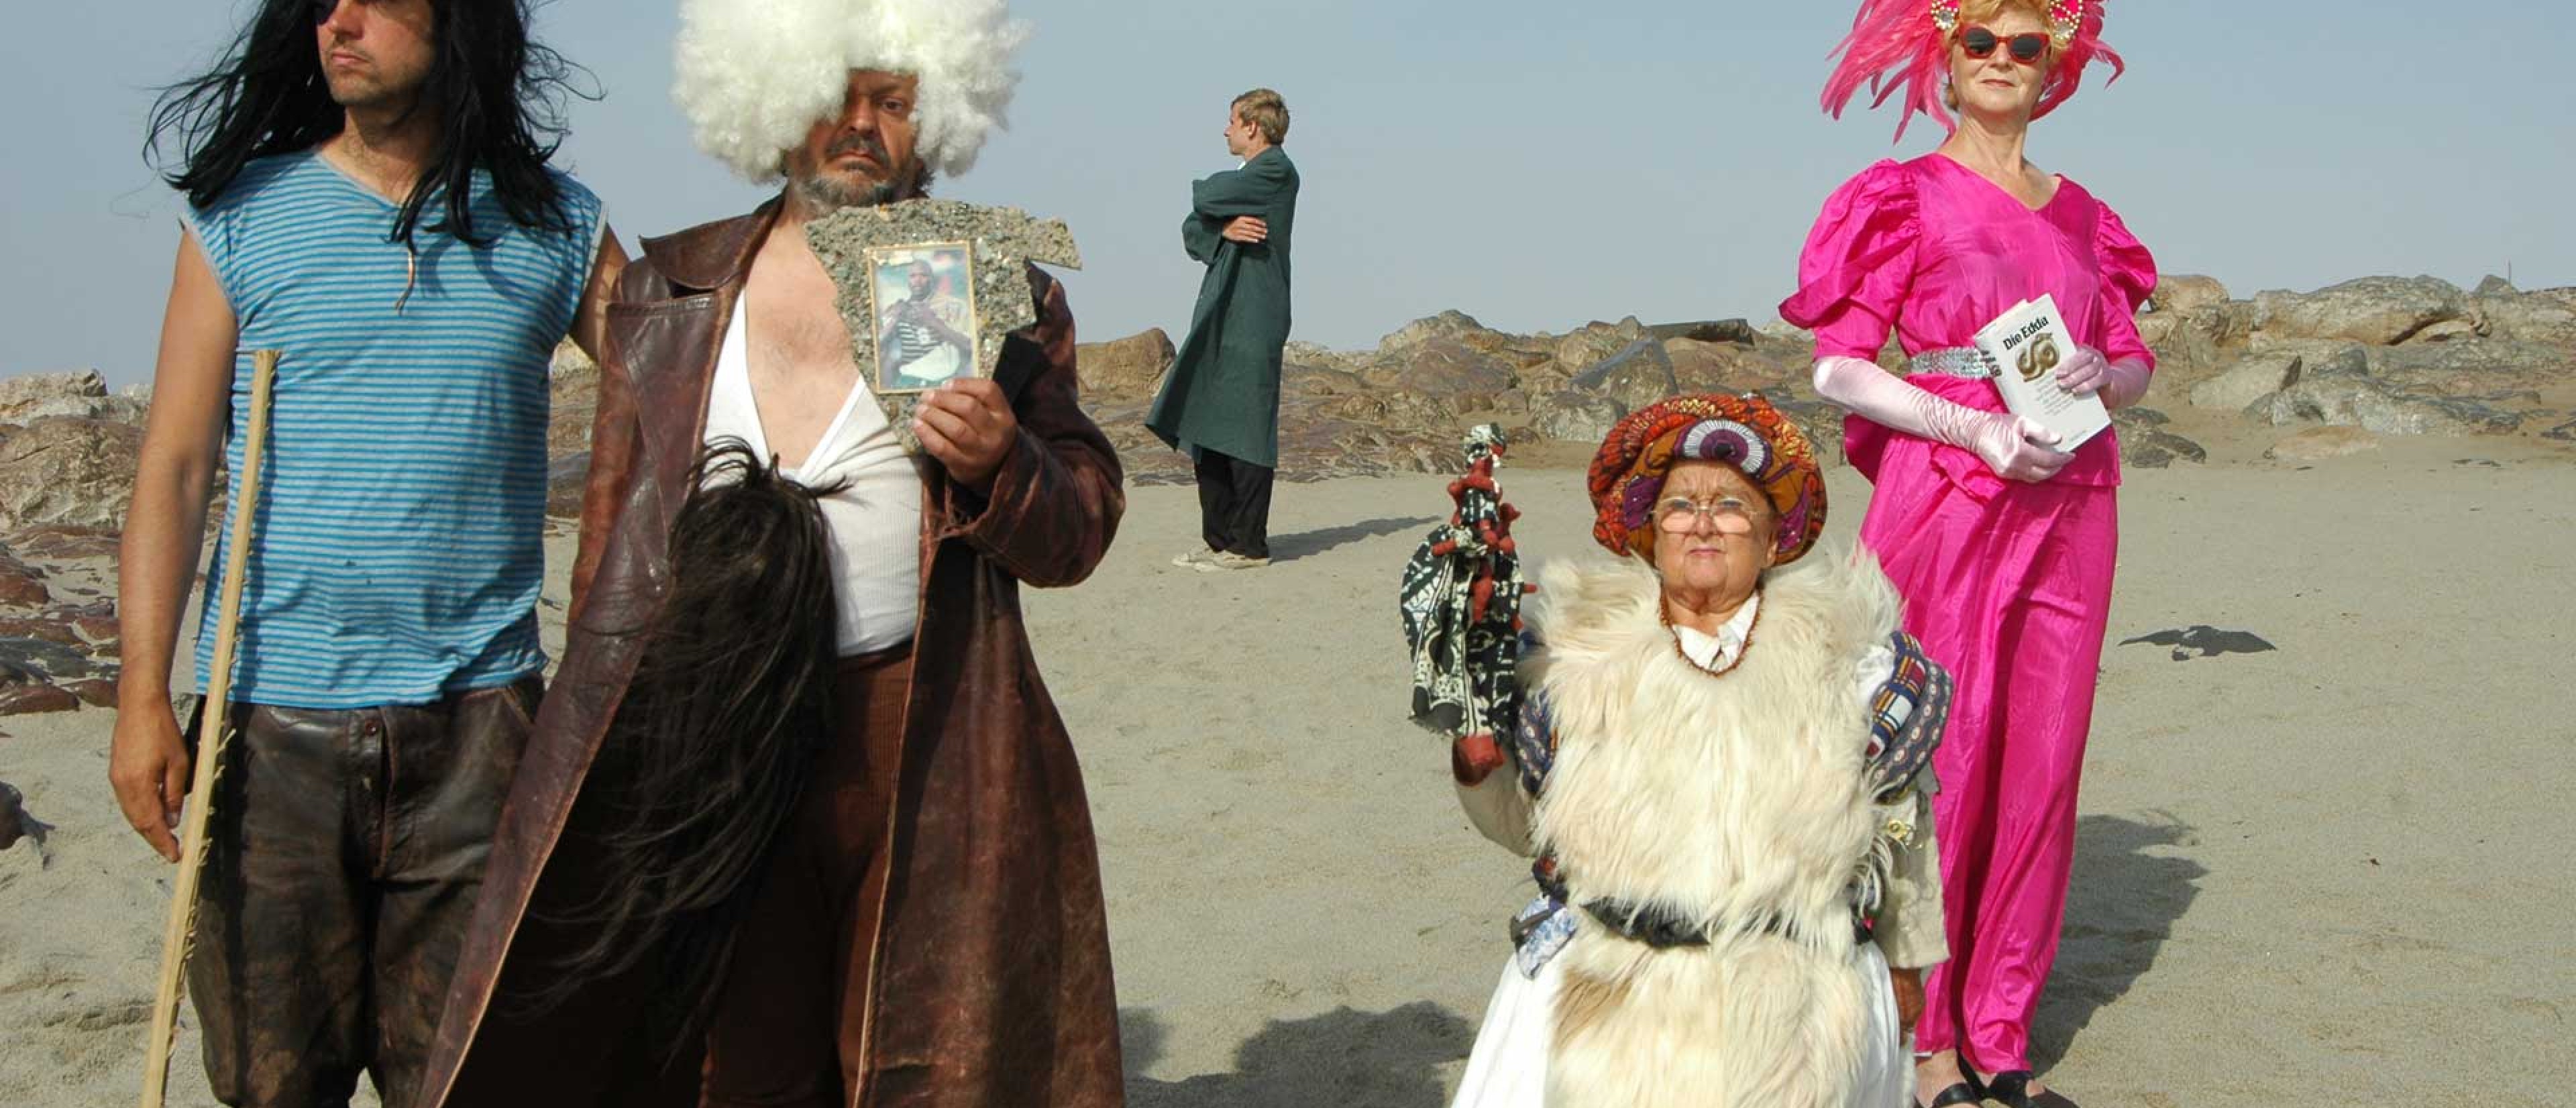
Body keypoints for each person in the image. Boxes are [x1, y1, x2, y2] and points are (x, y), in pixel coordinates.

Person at [414, 1, 1127, 1106]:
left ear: (935, 115)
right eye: (835, 95)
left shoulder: (991, 295)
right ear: (771, 96)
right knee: (738, 1062)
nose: (860, 126)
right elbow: (613, 559)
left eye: (892, 101)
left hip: (928, 731)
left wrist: (1004, 462)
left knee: (920, 1059)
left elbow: (1080, 527)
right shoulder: (673, 291)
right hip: (718, 730)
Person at [109, 0, 619, 1103]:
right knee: (269, 1083)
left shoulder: (554, 226)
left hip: (485, 733)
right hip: (268, 737)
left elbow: (689, 382)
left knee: (476, 1077)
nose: (338, 22)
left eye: (376, 1)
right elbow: (177, 465)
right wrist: (141, 692)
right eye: (323, 4)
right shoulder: (239, 218)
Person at [1779, 2, 2153, 1105]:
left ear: (2057, 64)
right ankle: (1924, 1037)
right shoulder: (1901, 195)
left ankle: (2000, 1035)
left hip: (2074, 500)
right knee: (1937, 751)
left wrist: (2103, 372)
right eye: (1979, 41)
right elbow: (1839, 369)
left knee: (2043, 755)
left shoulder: (2087, 215)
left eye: (2023, 44)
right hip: (1943, 493)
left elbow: (2137, 360)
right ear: (1944, 57)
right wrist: (1971, 424)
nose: (2000, 61)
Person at [1433, 395, 1955, 1108]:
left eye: (1733, 505)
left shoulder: (1854, 661)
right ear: (1651, 533)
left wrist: (1906, 968)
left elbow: (1905, 831)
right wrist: (1475, 760)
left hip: (1797, 1001)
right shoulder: (1572, 658)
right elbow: (1524, 825)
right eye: (1680, 504)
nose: (1704, 521)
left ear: (1774, 538)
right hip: (1609, 987)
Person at [1148, 88, 1299, 571]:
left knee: (1248, 424)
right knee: (1205, 414)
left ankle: (1249, 543)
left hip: (1255, 311)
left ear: (1253, 125)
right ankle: (1219, 539)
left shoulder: (1276, 168)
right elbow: (1192, 228)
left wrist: (1215, 213)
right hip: (1219, 308)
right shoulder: (1245, 179)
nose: (1226, 129)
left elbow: (1203, 196)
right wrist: (1223, 231)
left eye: (1232, 121)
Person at [879, 256, 973, 388]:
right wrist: (894, 320)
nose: (918, 281)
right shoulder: (896, 309)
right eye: (913, 276)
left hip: (945, 381)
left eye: (923, 275)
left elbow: (969, 346)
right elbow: (878, 348)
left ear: (932, 279)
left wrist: (933, 321)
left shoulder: (954, 306)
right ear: (908, 281)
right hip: (908, 381)